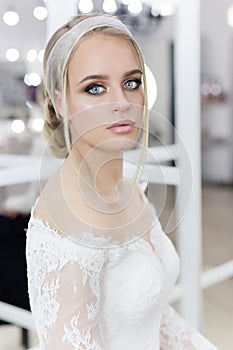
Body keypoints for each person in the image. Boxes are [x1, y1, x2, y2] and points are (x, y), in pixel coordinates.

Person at [26, 13, 218, 350]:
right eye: (95, 88)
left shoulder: (129, 188)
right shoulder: (66, 225)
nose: (122, 103)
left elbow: (154, 315)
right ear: (59, 100)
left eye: (131, 82)